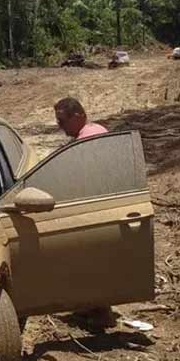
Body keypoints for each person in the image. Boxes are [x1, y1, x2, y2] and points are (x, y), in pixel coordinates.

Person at [53, 96, 115, 330]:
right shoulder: (93, 130)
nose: (60, 127)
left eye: (63, 120)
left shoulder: (88, 138)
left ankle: (100, 313)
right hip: (101, 205)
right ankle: (95, 308)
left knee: (90, 259)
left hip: (97, 208)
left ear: (78, 116)